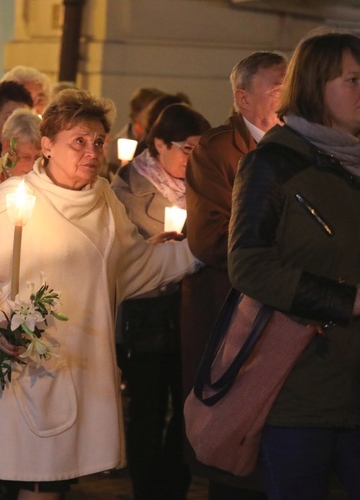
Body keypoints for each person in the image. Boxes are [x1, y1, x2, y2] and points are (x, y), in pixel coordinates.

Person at [0, 89, 196, 499]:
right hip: (27, 362)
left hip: (82, 363)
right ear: (47, 145)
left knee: (58, 480)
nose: (92, 151)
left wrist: (196, 252)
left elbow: (132, 267)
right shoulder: (12, 201)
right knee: (34, 479)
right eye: (78, 141)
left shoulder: (104, 200)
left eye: (98, 141)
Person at [228, 31, 360, 499]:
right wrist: (346, 300)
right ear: (315, 84)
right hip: (301, 387)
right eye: (353, 80)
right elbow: (248, 264)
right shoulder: (275, 162)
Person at [182, 50, 286, 499]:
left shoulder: (301, 146)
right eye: (279, 90)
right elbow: (209, 237)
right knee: (232, 432)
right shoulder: (218, 148)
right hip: (230, 307)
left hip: (283, 315)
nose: (291, 97)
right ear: (244, 100)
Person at [110, 103, 210, 500]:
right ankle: (147, 490)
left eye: (198, 151)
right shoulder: (126, 187)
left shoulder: (205, 184)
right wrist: (157, 252)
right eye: (186, 149)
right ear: (159, 143)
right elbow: (124, 257)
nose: (192, 159)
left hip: (190, 312)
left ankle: (173, 486)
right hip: (146, 315)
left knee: (188, 407)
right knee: (148, 410)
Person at [0, 108, 42, 191]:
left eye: (37, 158)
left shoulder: (47, 180)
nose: (33, 166)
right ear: (6, 146)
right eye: (25, 157)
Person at [105, 87, 166, 177]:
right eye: (151, 112)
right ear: (136, 114)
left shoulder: (161, 140)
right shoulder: (118, 145)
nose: (156, 116)